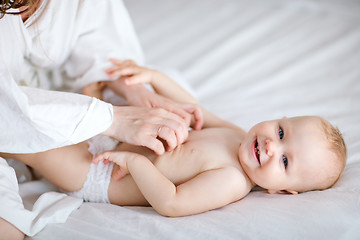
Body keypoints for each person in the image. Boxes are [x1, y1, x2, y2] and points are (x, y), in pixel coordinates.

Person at [1, 60, 347, 220]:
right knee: (55, 113)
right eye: (282, 132)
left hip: (101, 174)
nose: (273, 146)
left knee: (31, 140)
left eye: (285, 161)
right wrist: (156, 78)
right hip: (115, 139)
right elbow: (195, 110)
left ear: (282, 191)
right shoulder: (238, 135)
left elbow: (173, 202)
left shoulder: (232, 180)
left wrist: (134, 162)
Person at [0, 1, 201, 238]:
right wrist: (115, 122)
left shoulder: (235, 151)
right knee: (8, 226)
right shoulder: (233, 173)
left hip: (93, 142)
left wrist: (134, 89)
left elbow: (94, 33)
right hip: (95, 163)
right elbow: (171, 202)